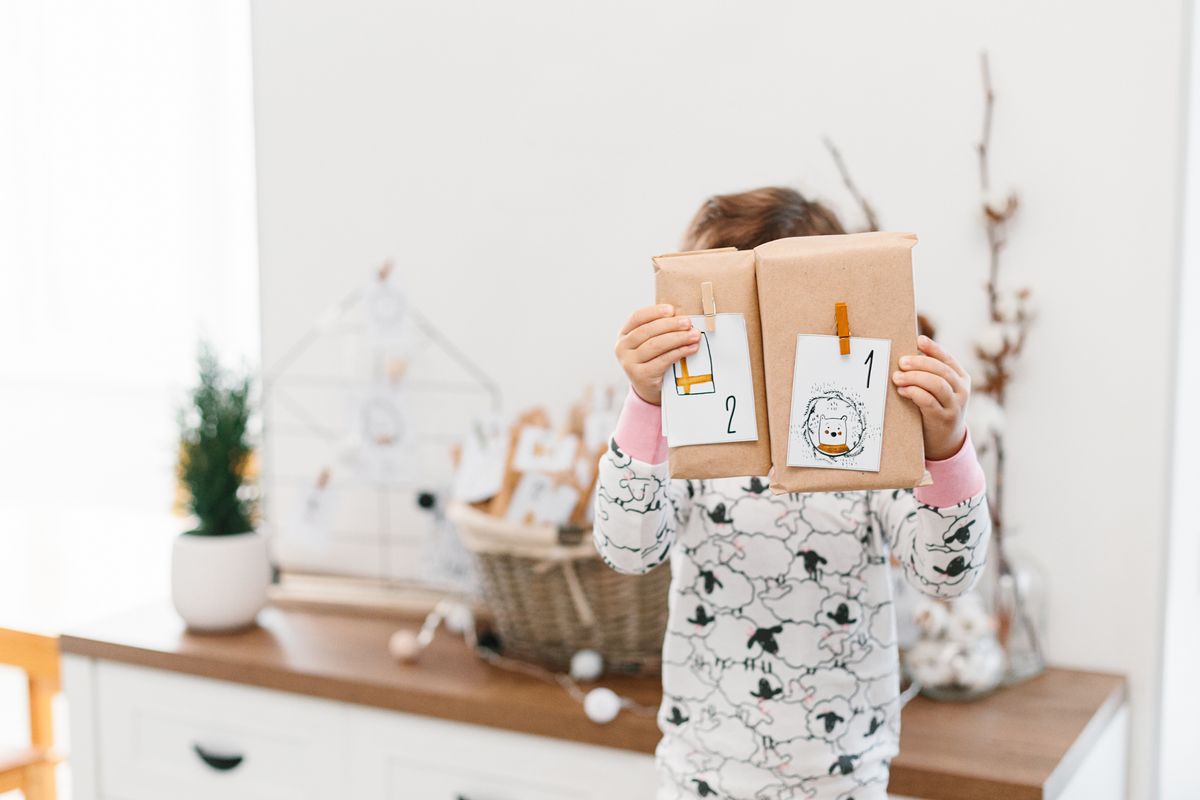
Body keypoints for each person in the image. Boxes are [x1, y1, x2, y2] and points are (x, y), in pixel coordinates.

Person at [593, 187, 990, 799]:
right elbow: (628, 548)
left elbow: (947, 575)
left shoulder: (868, 440)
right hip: (703, 774)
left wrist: (946, 446)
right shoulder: (690, 440)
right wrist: (647, 404)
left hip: (843, 779)